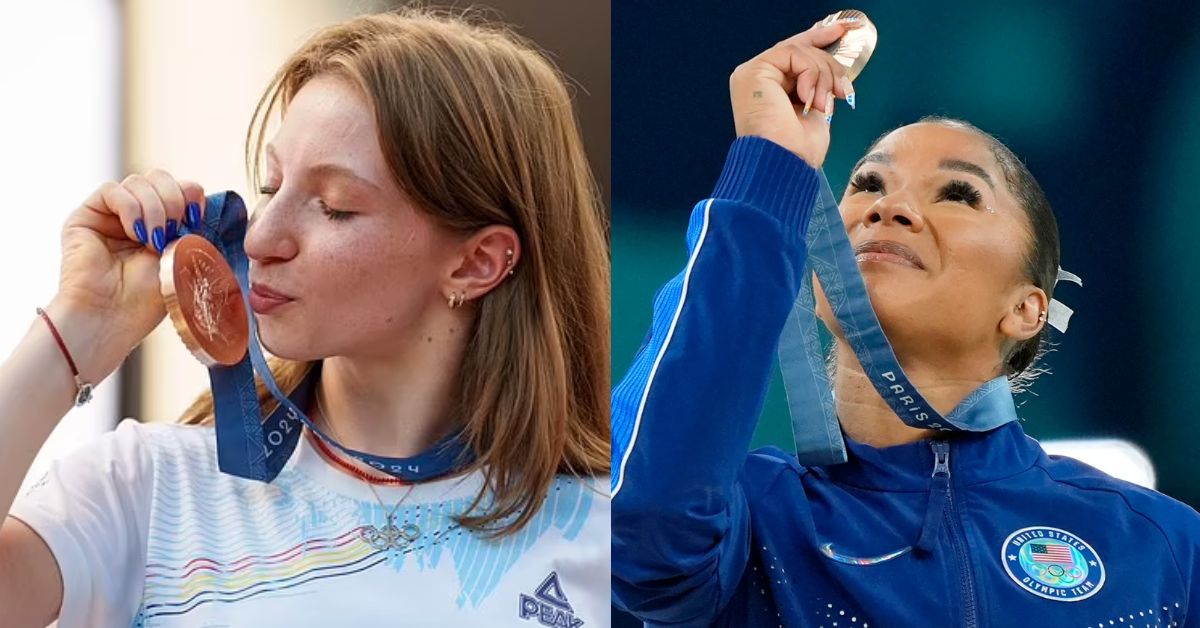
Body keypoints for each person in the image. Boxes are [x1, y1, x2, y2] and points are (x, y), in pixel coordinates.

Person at [0, 9, 610, 627]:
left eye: (335, 206)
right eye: (270, 186)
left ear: (477, 263)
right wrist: (76, 331)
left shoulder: (605, 540)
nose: (262, 236)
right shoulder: (151, 488)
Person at [611, 19, 1200, 627]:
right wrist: (771, 165)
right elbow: (645, 522)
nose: (888, 207)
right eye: (867, 183)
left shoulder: (1162, 547)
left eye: (958, 194)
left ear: (1027, 308)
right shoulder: (750, 525)